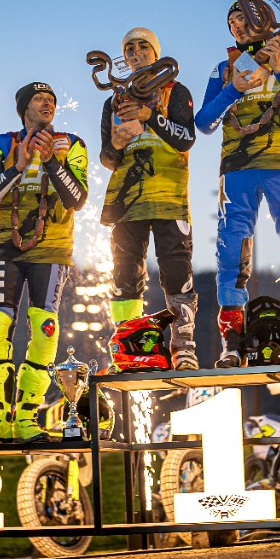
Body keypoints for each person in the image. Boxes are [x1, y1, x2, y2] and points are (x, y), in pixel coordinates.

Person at [195, 0, 280, 366]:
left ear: (262, 18)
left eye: (243, 18)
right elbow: (204, 123)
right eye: (231, 21)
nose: (237, 26)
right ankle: (232, 343)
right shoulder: (224, 66)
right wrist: (233, 89)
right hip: (238, 168)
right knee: (230, 251)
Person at [0, 82, 88, 443]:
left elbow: (77, 198)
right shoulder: (2, 143)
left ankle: (27, 417)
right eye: (39, 99)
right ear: (23, 109)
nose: (47, 103)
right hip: (6, 247)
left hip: (52, 250)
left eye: (51, 99)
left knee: (45, 327)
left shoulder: (72, 143)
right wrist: (18, 166)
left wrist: (51, 159)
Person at [100, 27, 198, 369]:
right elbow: (107, 159)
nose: (137, 52)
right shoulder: (114, 100)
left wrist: (150, 117)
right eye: (130, 48)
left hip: (170, 196)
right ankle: (128, 348)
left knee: (176, 272)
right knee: (125, 275)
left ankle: (183, 348)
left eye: (144, 46)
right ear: (123, 58)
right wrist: (115, 143)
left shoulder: (176, 90)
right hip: (126, 201)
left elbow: (186, 138)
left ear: (156, 54)